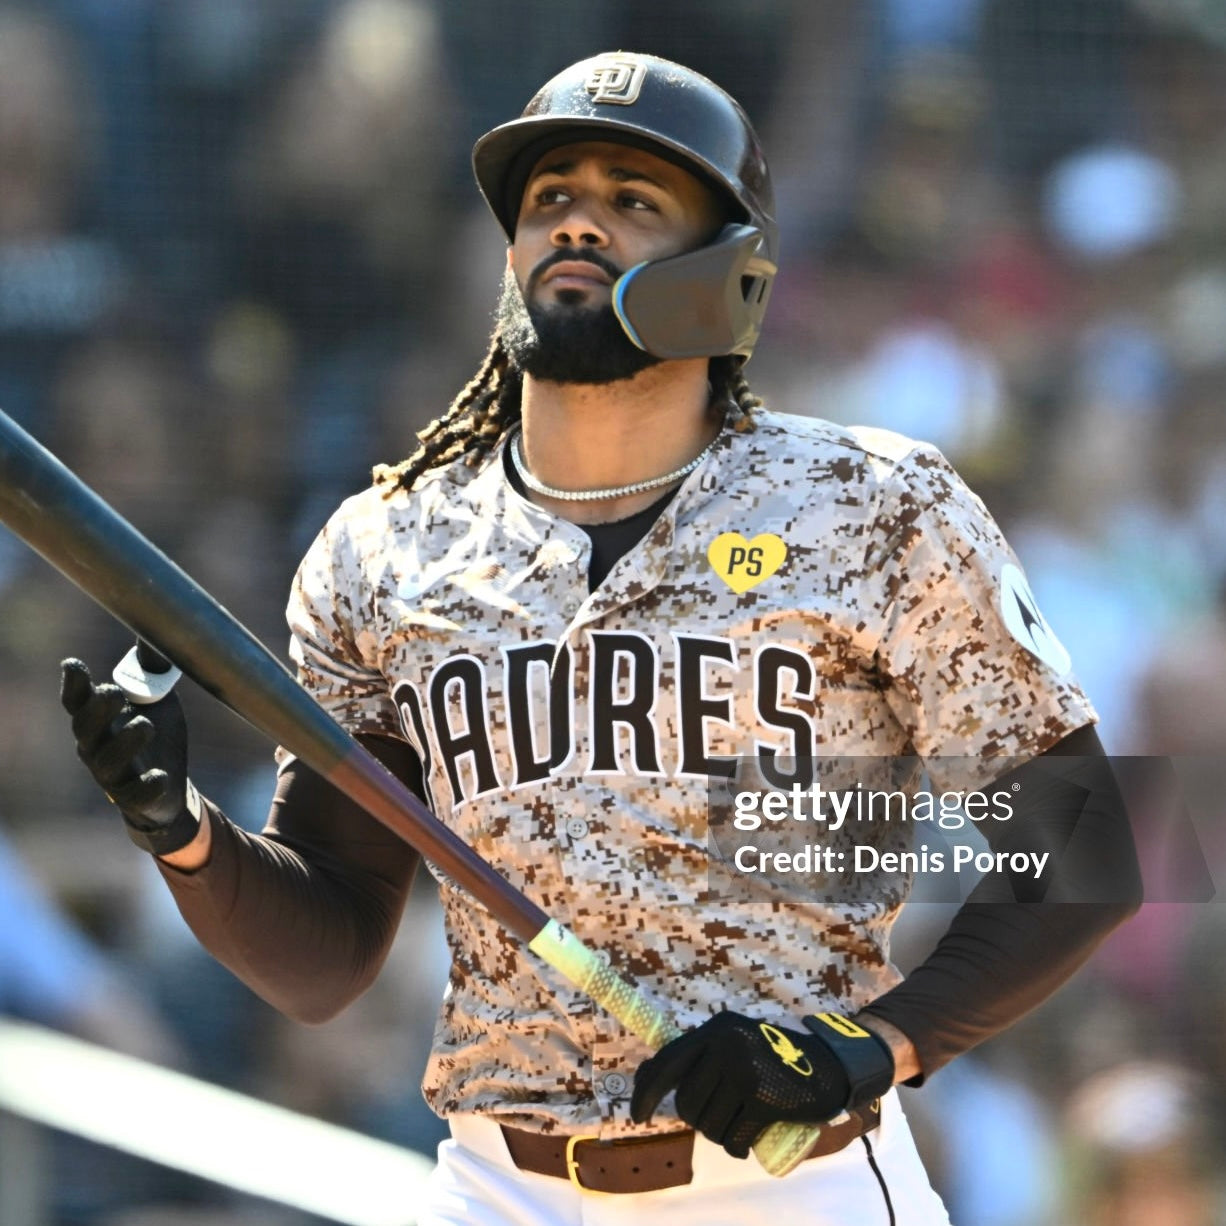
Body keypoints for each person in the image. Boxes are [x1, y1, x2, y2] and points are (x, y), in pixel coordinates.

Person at [58, 52, 1142, 1225]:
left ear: (728, 269)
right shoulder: (386, 549)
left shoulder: (870, 506)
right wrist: (182, 834)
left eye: (632, 199)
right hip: (499, 1184)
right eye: (549, 198)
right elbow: (328, 957)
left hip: (786, 1183)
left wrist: (869, 1044)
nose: (576, 222)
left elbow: (1080, 841)